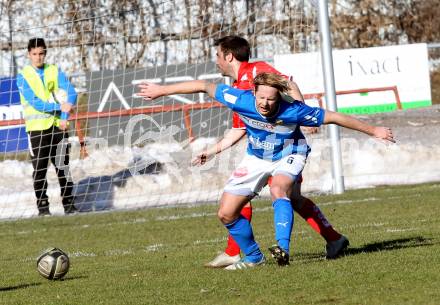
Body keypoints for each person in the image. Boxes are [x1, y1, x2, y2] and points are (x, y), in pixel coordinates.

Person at [137, 72, 395, 269]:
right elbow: (203, 86)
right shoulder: (241, 99)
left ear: (279, 98)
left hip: (291, 154)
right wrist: (162, 91)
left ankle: (282, 248)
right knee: (226, 213)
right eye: (261, 98)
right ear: (254, 93)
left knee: (279, 188)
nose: (265, 104)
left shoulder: (294, 110)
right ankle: (253, 257)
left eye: (271, 99)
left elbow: (336, 117)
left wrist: (374, 131)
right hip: (256, 158)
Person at [193, 35, 348, 267]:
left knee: (282, 195)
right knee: (266, 196)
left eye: (217, 55)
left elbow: (289, 84)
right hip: (262, 152)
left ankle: (242, 252)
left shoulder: (257, 71)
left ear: (228, 56)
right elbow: (239, 129)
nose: (215, 61)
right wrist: (213, 150)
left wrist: (303, 115)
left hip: (286, 149)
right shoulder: (237, 88)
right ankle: (333, 239)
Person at [17, 38, 77, 216]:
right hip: (36, 130)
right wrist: (60, 107)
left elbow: (71, 92)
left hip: (57, 126)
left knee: (63, 167)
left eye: (41, 53)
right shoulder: (22, 76)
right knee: (40, 170)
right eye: (34, 54)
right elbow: (36, 103)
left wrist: (64, 116)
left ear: (45, 53)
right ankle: (43, 208)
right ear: (29, 54)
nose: (38, 57)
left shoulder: (53, 70)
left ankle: (69, 205)